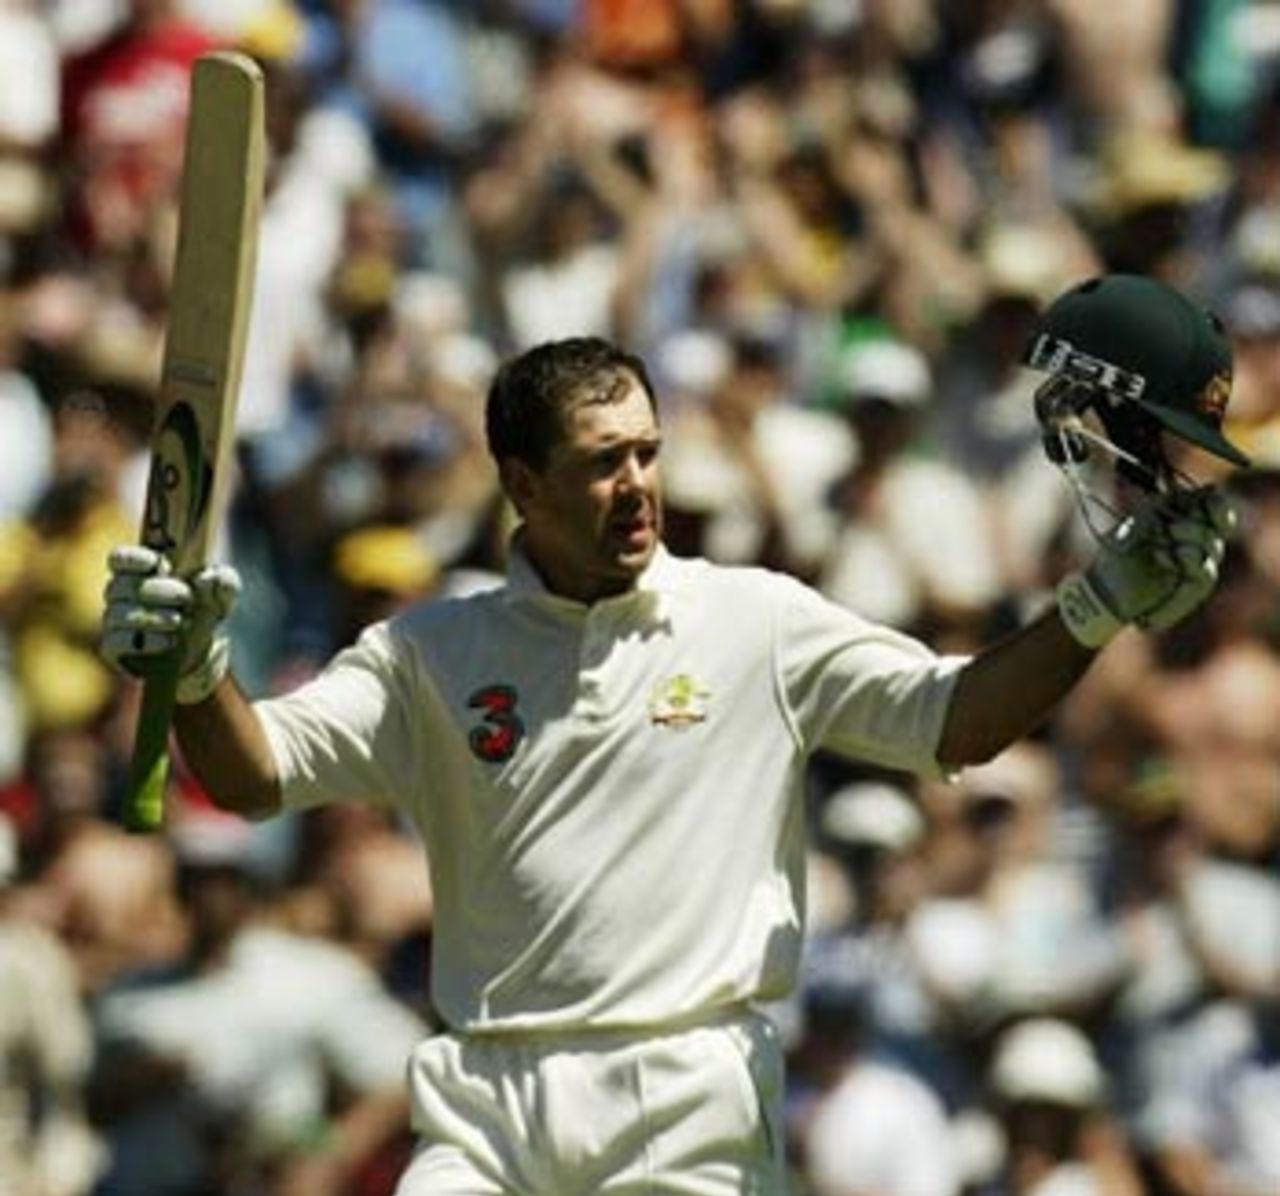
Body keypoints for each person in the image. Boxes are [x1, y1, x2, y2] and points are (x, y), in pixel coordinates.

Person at [101, 275, 1242, 1193]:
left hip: (684, 1099)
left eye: (645, 450)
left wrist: (1090, 610)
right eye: (602, 462)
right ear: (520, 483)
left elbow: (957, 718)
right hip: (484, 1101)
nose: (638, 484)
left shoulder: (757, 620)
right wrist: (197, 669)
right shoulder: (426, 653)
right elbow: (250, 776)